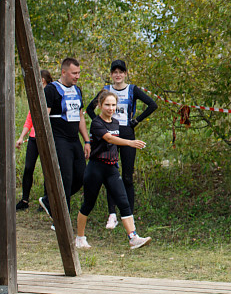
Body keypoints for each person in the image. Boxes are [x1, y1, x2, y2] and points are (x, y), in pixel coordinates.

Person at [75, 90, 151, 250]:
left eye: (113, 105)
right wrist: (130, 143)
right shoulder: (97, 123)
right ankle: (80, 237)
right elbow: (109, 138)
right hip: (96, 168)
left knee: (124, 202)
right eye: (107, 105)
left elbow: (115, 140)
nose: (110, 108)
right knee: (88, 204)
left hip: (111, 168)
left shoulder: (116, 122)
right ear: (100, 105)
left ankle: (133, 237)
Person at [86, 59, 157, 229]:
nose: (118, 75)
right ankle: (112, 215)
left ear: (125, 74)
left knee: (126, 176)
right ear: (111, 75)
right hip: (109, 135)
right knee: (111, 174)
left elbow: (152, 105)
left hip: (126, 133)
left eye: (121, 72)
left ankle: (129, 214)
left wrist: (136, 120)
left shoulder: (132, 90)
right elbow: (89, 109)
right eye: (114, 72)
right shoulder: (106, 91)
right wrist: (100, 126)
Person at [38, 58, 90, 227]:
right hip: (59, 139)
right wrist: (45, 142)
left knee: (82, 176)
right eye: (74, 73)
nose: (77, 76)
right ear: (63, 72)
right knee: (65, 178)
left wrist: (87, 141)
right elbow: (43, 118)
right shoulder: (52, 90)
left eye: (78, 73)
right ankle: (61, 220)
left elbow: (80, 116)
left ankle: (49, 200)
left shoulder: (77, 90)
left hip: (74, 139)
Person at [15, 70, 53, 211]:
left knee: (47, 170)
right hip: (33, 138)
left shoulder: (51, 93)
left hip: (48, 138)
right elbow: (30, 118)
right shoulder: (35, 95)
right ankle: (24, 200)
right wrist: (21, 137)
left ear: (42, 79)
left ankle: (45, 201)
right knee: (28, 167)